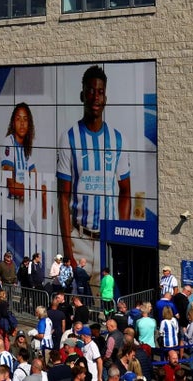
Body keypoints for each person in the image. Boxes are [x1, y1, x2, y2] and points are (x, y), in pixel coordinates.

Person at [57, 66, 131, 270]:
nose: (95, 97)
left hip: (108, 243)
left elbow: (125, 191)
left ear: (105, 97)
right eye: (90, 91)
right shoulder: (69, 137)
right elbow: (63, 197)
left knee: (108, 302)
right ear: (82, 95)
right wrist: (68, 252)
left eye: (100, 92)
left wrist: (122, 238)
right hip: (79, 240)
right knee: (79, 301)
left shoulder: (118, 139)